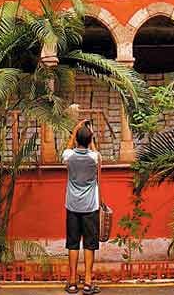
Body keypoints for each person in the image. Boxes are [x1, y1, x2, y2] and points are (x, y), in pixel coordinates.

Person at [62, 120, 101, 295]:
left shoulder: (68, 156)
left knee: (73, 244)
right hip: (90, 207)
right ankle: (87, 282)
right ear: (90, 140)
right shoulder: (94, 157)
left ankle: (72, 283)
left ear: (76, 139)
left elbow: (68, 147)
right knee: (89, 244)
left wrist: (75, 130)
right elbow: (94, 153)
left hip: (72, 205)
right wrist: (90, 136)